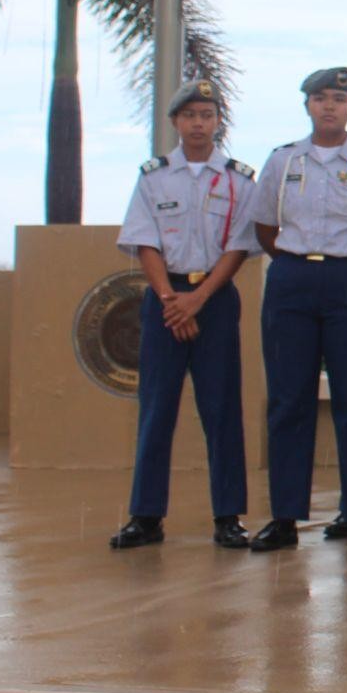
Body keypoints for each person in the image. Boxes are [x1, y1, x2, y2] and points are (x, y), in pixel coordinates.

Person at [245, 68, 347, 554]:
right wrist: (300, 263)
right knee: (288, 400)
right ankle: (284, 516)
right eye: (320, 98)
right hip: (293, 280)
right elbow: (265, 227)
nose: (329, 107)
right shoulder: (282, 160)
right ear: (307, 106)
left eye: (338, 99)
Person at [109, 79, 258, 551]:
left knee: (221, 411)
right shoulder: (153, 178)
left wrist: (198, 299)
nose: (198, 123)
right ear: (175, 121)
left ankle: (228, 516)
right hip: (165, 300)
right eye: (190, 114)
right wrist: (172, 301)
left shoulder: (238, 179)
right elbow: (144, 241)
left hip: (214, 299)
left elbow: (238, 246)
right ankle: (146, 516)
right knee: (156, 411)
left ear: (219, 123)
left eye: (207, 115)